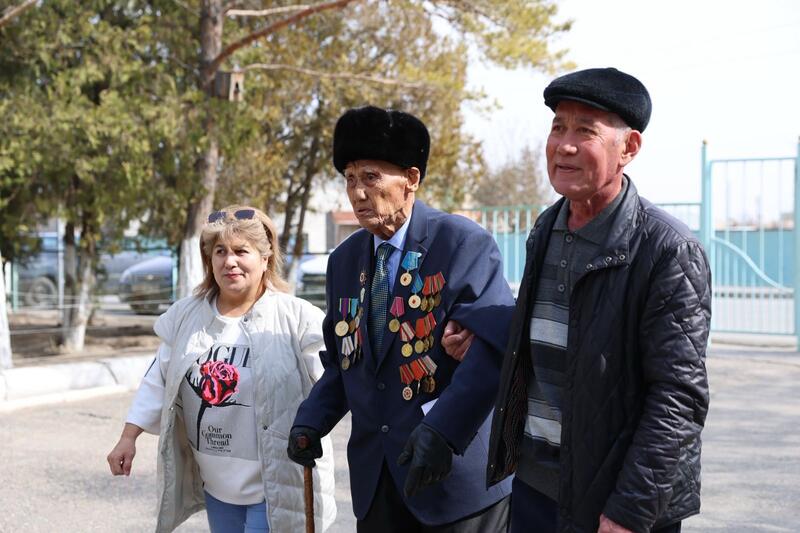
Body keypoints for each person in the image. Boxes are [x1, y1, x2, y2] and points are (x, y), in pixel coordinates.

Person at [477, 67, 711, 533]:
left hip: (617, 501)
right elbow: (555, 335)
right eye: (558, 127)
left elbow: (678, 397)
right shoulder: (546, 228)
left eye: (585, 131)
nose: (564, 145)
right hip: (535, 489)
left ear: (629, 148)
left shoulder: (667, 249)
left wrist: (629, 511)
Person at [287, 105, 516, 532]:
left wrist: (444, 431)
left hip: (453, 478)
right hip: (378, 482)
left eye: (371, 177)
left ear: (411, 178)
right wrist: (310, 420)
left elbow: (492, 352)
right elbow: (344, 362)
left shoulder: (460, 243)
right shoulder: (344, 261)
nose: (357, 193)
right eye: (349, 179)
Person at [107, 206, 336, 533]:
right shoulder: (186, 317)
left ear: (265, 259)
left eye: (241, 251)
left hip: (274, 485)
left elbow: (333, 384)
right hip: (217, 485)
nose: (230, 261)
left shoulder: (297, 318)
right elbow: (159, 379)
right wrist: (128, 437)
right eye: (220, 252)